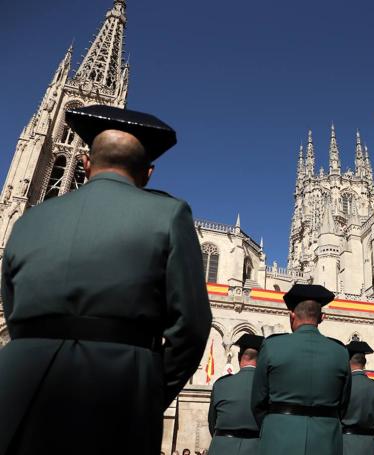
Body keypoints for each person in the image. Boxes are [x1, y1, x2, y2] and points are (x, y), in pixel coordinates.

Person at [0, 105, 211, 455]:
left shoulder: (26, 221)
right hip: (119, 387)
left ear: (84, 164)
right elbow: (191, 325)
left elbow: (11, 304)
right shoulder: (168, 214)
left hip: (18, 384)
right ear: (148, 173)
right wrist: (150, 385)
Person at [251, 284, 352, 455]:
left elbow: (258, 401)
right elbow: (344, 404)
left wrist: (274, 423)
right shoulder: (340, 352)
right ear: (322, 317)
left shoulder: (271, 347)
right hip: (326, 440)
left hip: (278, 438)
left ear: (292, 316)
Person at [207, 333, 264, 455]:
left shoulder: (220, 384)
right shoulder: (268, 386)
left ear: (239, 357)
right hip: (256, 448)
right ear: (262, 359)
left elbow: (212, 422)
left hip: (222, 447)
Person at [341, 340, 374, 455]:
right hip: (372, 446)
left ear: (348, 361)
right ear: (364, 362)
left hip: (346, 445)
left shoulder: (342, 386)